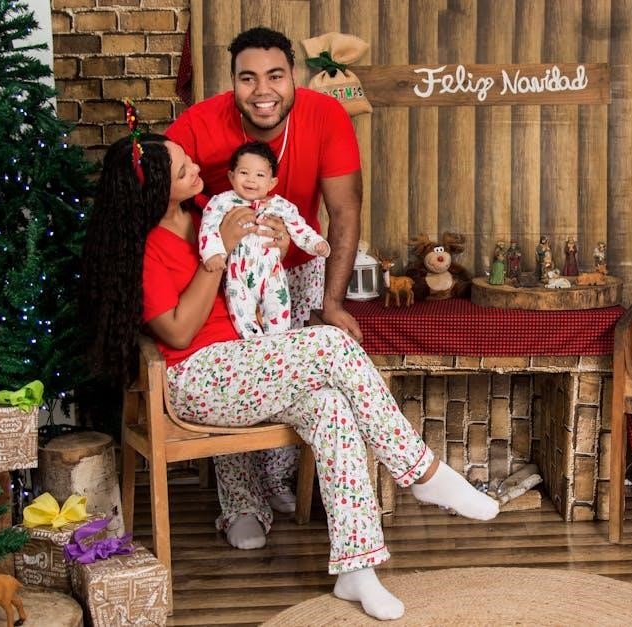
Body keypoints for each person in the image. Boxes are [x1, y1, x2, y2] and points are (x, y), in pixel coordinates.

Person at [81, 134, 500, 621]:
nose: (195, 168)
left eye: (188, 160)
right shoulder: (147, 247)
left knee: (332, 408)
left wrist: (272, 248)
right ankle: (422, 472)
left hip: (248, 361)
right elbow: (177, 331)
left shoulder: (208, 212)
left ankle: (357, 568)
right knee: (331, 343)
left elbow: (253, 275)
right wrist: (219, 255)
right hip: (198, 379)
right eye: (182, 170)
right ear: (154, 190)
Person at [165, 26, 364, 546]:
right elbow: (152, 181)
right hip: (228, 272)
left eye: (275, 75)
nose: (262, 90)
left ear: (293, 75)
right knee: (238, 375)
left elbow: (344, 211)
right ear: (232, 81)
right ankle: (241, 503)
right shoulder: (200, 122)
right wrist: (211, 239)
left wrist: (332, 302)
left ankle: (279, 482)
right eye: (247, 78)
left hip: (299, 269)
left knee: (294, 382)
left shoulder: (326, 115)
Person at [200, 140, 330, 338]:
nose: (251, 180)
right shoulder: (222, 202)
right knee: (243, 318)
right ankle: (255, 347)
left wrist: (315, 242)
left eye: (260, 175)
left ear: (272, 183)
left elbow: (298, 227)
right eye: (244, 173)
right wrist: (212, 253)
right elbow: (208, 226)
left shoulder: (280, 206)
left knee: (279, 314)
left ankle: (277, 346)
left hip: (272, 274)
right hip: (238, 276)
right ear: (231, 176)